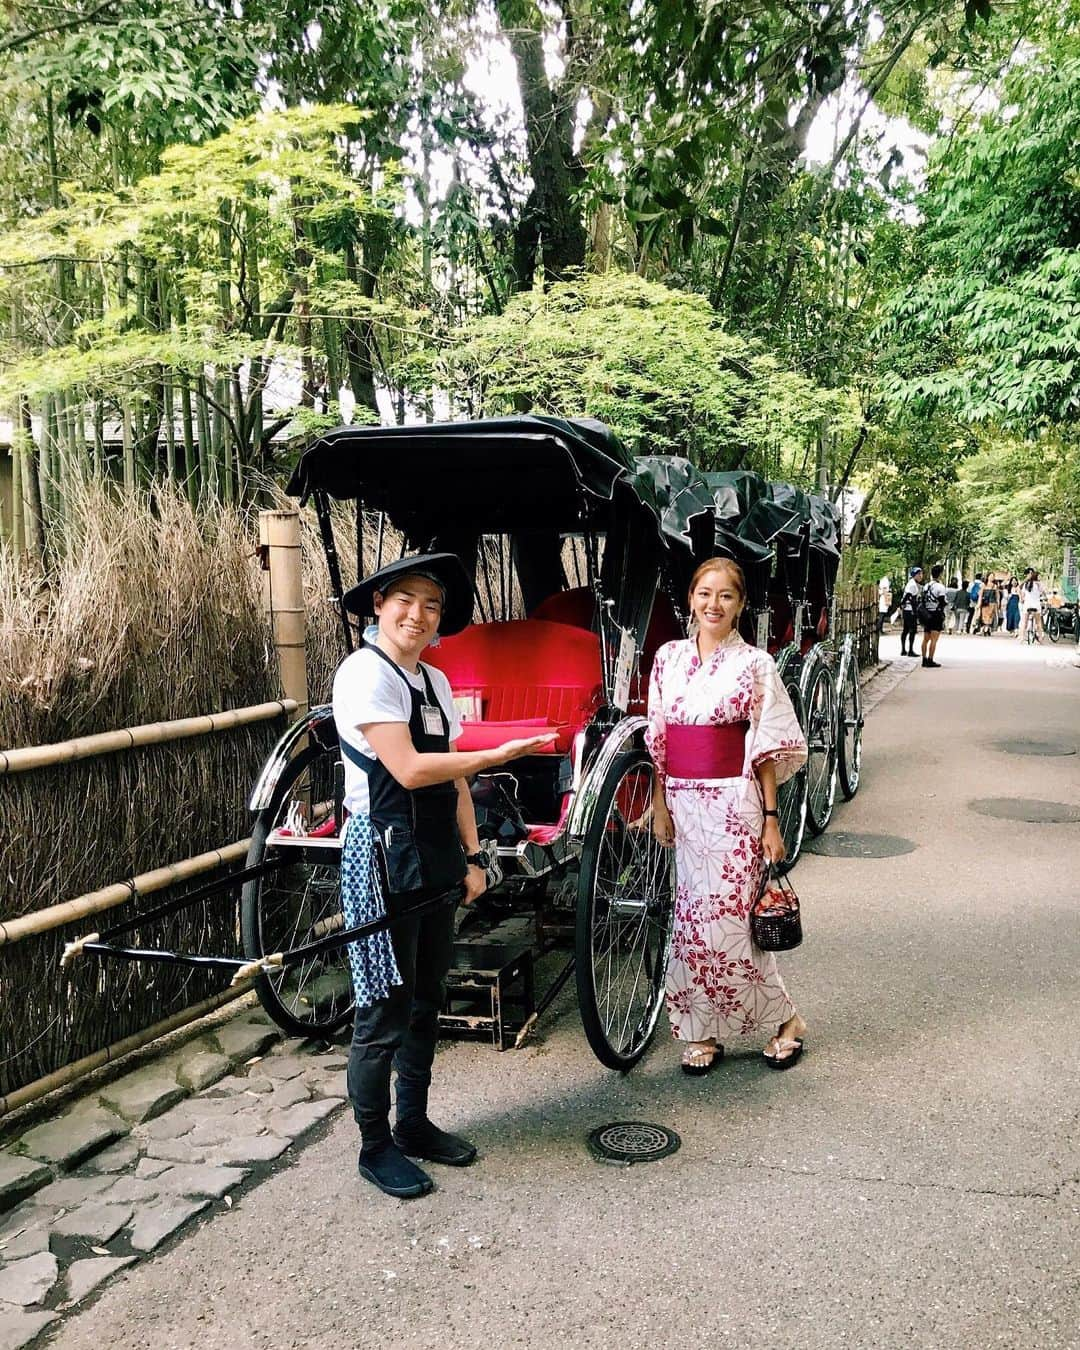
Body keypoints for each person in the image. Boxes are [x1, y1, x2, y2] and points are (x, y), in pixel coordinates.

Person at [333, 553, 556, 1199]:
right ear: (378, 603)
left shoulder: (431, 681)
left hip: (433, 854)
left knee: (428, 996)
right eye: (405, 598)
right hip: (379, 857)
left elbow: (455, 774)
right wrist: (498, 753)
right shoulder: (364, 674)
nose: (418, 614)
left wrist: (473, 854)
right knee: (384, 1008)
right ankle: (375, 1146)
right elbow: (406, 769)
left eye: (431, 605)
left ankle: (415, 1123)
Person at [644, 558, 809, 1075]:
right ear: (690, 598)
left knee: (737, 921)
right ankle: (703, 1029)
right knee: (692, 922)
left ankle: (786, 1020)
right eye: (705, 594)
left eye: (727, 596)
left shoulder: (756, 663)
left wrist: (771, 819)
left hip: (734, 803)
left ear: (740, 605)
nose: (714, 605)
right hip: (683, 802)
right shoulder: (668, 657)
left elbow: (764, 746)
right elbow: (658, 736)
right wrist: (658, 803)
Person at [918, 563, 948, 667]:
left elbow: (922, 599)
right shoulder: (940, 587)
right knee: (934, 639)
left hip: (926, 614)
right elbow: (942, 602)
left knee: (926, 638)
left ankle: (924, 659)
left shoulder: (926, 586)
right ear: (940, 574)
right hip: (935, 614)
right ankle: (930, 659)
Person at [899, 565, 922, 656]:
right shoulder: (912, 585)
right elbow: (909, 596)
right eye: (919, 574)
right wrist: (914, 610)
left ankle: (904, 649)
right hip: (910, 610)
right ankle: (910, 650)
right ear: (914, 575)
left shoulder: (912, 583)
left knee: (906, 630)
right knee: (912, 630)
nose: (921, 576)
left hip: (907, 609)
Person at [1019, 567, 1045, 642]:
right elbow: (1043, 593)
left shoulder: (1026, 584)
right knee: (1038, 623)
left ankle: (1022, 638)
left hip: (1027, 605)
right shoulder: (1039, 584)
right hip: (1036, 605)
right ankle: (1040, 639)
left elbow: (1023, 596)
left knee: (1025, 622)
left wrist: (1023, 599)